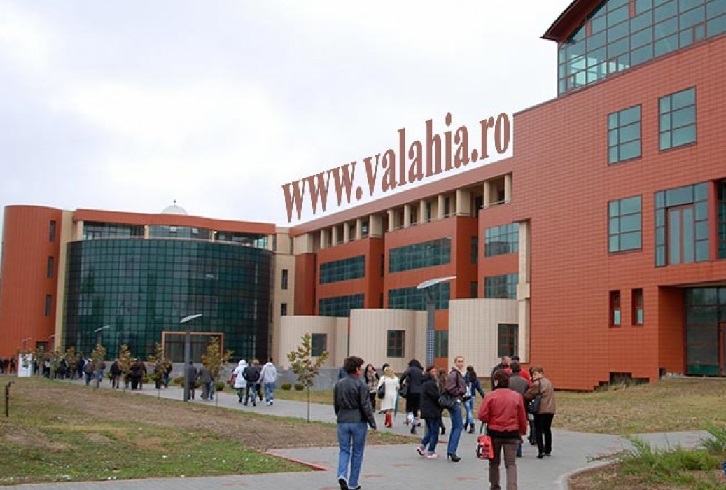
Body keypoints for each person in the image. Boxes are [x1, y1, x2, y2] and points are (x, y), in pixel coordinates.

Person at [479, 369, 528, 490]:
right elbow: (522, 416)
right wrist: (522, 431)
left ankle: (494, 485)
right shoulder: (516, 396)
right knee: (511, 463)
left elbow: (482, 415)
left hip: (494, 433)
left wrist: (491, 419)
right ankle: (512, 487)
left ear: (495, 381)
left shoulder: (490, 396)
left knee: (494, 462)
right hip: (512, 433)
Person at [334, 356, 376, 490]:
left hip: (342, 420)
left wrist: (339, 415)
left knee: (344, 450)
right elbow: (365, 405)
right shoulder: (361, 384)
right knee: (357, 452)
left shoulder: (339, 384)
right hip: (358, 421)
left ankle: (342, 474)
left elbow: (336, 404)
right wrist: (372, 422)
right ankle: (353, 483)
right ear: (357, 369)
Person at [524, 366, 556, 459]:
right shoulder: (549, 382)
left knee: (538, 430)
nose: (533, 376)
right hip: (550, 409)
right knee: (547, 429)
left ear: (541, 373)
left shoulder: (537, 384)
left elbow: (528, 395)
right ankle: (548, 449)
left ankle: (540, 450)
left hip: (540, 410)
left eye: (535, 374)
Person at [416, 364, 444, 458]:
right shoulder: (431, 384)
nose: (435, 373)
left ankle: (422, 446)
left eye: (435, 371)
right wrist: (442, 401)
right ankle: (431, 451)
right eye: (433, 372)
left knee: (430, 431)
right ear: (428, 373)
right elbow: (436, 397)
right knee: (435, 432)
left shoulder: (424, 383)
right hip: (432, 411)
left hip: (426, 411)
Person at [444, 355, 468, 462]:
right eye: (459, 361)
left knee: (455, 426)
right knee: (458, 426)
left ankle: (451, 450)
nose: (461, 363)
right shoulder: (454, 374)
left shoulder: (458, 374)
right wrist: (460, 392)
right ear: (455, 362)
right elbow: (450, 388)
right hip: (454, 402)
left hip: (456, 401)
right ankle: (452, 451)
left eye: (462, 361)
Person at [507, 361, 530, 457]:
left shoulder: (507, 381)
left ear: (511, 369)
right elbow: (528, 395)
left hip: (509, 407)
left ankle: (511, 448)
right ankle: (519, 448)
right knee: (519, 427)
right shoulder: (524, 381)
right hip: (522, 406)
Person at [399, 359, 424, 434]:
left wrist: (401, 383)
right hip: (419, 392)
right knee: (415, 410)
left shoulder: (410, 369)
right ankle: (414, 424)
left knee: (409, 409)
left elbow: (403, 376)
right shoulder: (420, 371)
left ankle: (412, 422)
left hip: (411, 391)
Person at [464, 365, 486, 433]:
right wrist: (483, 396)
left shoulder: (465, 377)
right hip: (473, 396)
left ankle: (472, 425)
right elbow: (479, 388)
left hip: (466, 396)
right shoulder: (475, 378)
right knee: (470, 410)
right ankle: (466, 424)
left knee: (468, 411)